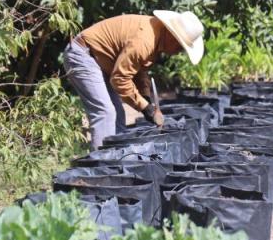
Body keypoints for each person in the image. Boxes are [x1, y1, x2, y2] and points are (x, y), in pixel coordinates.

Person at [64, 11, 205, 149]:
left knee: (118, 114)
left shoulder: (156, 35)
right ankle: (101, 161)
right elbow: (119, 79)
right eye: (180, 47)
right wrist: (145, 107)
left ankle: (117, 157)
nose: (178, 52)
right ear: (172, 36)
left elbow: (138, 70)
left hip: (100, 61)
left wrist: (145, 97)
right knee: (105, 113)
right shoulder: (145, 41)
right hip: (84, 55)